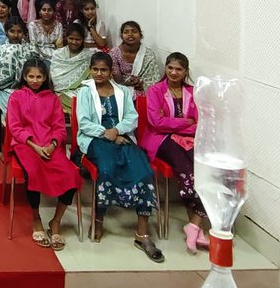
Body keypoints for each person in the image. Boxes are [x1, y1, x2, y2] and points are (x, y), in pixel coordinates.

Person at [75, 53, 163, 261]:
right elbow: (84, 122)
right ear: (90, 70)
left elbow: (132, 117)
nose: (99, 73)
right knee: (106, 169)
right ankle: (98, 220)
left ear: (111, 71)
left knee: (144, 172)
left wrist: (116, 131)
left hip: (122, 137)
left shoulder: (123, 91)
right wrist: (106, 133)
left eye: (103, 70)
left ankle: (142, 233)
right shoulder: (85, 92)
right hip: (95, 139)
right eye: (95, 69)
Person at [6, 57, 81, 251]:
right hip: (26, 145)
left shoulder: (53, 98)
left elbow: (59, 127)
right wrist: (33, 145)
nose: (35, 80)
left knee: (71, 175)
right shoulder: (16, 97)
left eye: (39, 76)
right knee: (33, 173)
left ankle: (55, 221)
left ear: (46, 77)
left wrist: (53, 143)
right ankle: (36, 217)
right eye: (31, 76)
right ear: (24, 76)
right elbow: (15, 127)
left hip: (50, 145)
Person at [142, 52, 209, 255]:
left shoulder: (193, 92)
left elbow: (200, 123)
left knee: (205, 171)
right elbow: (156, 122)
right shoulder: (155, 91)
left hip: (189, 140)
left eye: (178, 69)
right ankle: (196, 226)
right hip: (161, 141)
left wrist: (178, 125)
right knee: (186, 169)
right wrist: (185, 122)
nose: (173, 72)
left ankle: (194, 226)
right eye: (170, 67)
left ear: (186, 71)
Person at [0, 18, 38, 114]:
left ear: (24, 33)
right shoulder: (1, 50)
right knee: (16, 108)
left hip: (30, 86)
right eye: (12, 31)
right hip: (5, 89)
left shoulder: (30, 49)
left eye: (19, 31)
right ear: (6, 32)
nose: (16, 35)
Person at [50, 22, 94, 120]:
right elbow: (55, 77)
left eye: (78, 39)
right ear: (66, 37)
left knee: (85, 99)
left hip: (81, 91)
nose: (74, 42)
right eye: (71, 38)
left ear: (83, 40)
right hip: (60, 92)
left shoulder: (89, 56)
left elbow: (90, 80)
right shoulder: (58, 54)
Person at [108, 21, 161, 96]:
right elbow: (118, 80)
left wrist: (141, 84)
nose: (130, 34)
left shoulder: (148, 54)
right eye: (126, 32)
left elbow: (153, 79)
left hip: (142, 88)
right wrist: (130, 82)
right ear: (121, 36)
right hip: (120, 88)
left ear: (140, 35)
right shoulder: (114, 53)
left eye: (134, 31)